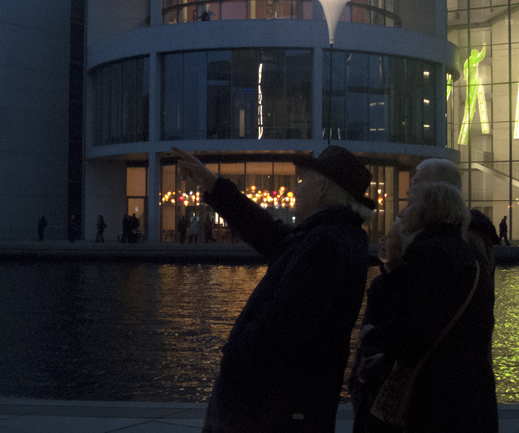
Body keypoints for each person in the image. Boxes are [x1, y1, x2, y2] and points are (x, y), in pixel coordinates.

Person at [173, 144, 373, 433]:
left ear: (323, 189)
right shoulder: (334, 235)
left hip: (274, 410)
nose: (296, 189)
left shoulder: (326, 243)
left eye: (304, 181)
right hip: (292, 407)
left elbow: (280, 325)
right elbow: (268, 233)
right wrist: (211, 183)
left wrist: (234, 358)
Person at [358, 181, 494, 433]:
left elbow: (416, 327)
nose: (403, 212)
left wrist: (374, 335)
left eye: (410, 205)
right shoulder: (467, 256)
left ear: (426, 210)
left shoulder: (426, 254)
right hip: (470, 391)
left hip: (435, 394)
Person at [407, 157, 499, 432]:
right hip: (467, 382)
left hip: (448, 387)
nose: (410, 190)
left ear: (438, 190)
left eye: (417, 182)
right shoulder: (471, 239)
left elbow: (423, 321)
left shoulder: (450, 245)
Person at [349, 217, 407, 433]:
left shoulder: (390, 284)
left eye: (390, 236)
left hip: (378, 386)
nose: (382, 241)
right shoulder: (386, 282)